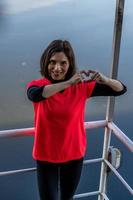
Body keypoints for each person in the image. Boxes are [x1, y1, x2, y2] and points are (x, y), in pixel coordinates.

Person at [27, 39, 127, 200]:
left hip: (73, 155)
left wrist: (105, 80)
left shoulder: (81, 88)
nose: (57, 68)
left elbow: (120, 89)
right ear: (46, 62)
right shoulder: (38, 85)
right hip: (45, 156)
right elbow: (35, 95)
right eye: (52, 62)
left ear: (70, 64)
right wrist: (68, 83)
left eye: (63, 63)